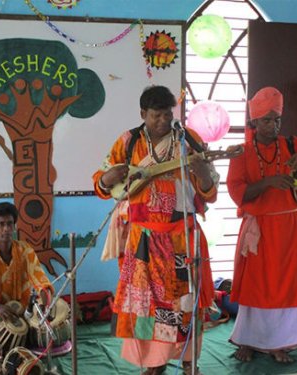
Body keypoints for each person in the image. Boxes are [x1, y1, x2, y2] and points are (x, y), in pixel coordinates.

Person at [93, 85, 218, 375]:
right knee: (146, 306)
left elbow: (210, 192)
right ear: (142, 114)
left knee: (185, 303)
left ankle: (189, 361)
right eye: (155, 115)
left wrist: (202, 174)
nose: (163, 120)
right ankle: (153, 363)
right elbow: (102, 182)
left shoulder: (189, 141)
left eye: (167, 114)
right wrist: (105, 178)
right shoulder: (128, 142)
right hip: (143, 239)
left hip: (181, 238)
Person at [226, 86, 297, 363]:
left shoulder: (293, 145)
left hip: (289, 228)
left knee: (288, 285)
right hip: (258, 231)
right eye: (266, 120)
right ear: (253, 122)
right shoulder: (242, 151)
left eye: (276, 120)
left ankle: (281, 343)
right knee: (255, 287)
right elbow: (237, 191)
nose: (273, 126)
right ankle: (248, 340)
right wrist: (267, 183)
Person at [0, 202, 54, 371]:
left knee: (42, 338)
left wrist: (45, 306)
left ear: (14, 226)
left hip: (21, 316)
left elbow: (42, 282)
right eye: (1, 224)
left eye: (10, 224)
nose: (6, 229)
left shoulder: (25, 251)